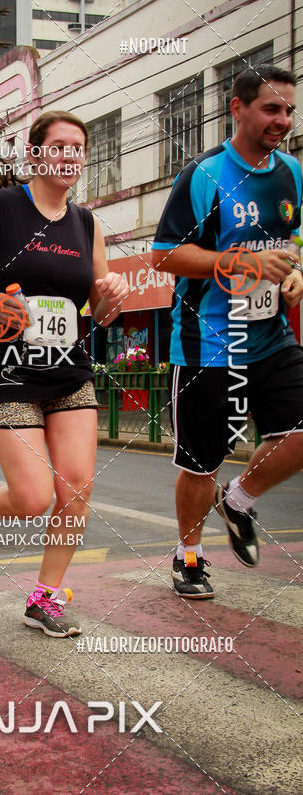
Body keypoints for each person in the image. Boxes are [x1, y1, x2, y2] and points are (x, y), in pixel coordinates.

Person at [0, 110, 128, 635]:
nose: (70, 156)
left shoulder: (87, 224)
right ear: (35, 154)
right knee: (35, 495)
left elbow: (97, 307)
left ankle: (45, 597)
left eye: (78, 148)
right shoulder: (0, 206)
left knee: (77, 486)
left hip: (67, 368)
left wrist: (109, 299)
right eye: (59, 146)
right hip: (6, 368)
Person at [152, 64, 303, 599]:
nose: (283, 119)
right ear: (236, 108)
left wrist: (295, 274)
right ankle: (187, 556)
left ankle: (238, 500)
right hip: (209, 341)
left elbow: (293, 239)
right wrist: (239, 263)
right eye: (270, 108)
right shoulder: (204, 175)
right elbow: (165, 255)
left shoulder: (291, 172)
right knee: (200, 463)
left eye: (288, 108)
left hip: (271, 337)